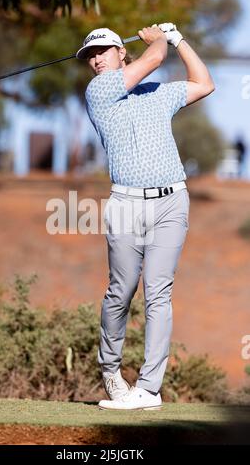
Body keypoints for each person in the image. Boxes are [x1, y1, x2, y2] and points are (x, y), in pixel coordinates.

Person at [76, 24, 215, 410]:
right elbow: (154, 57)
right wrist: (160, 37)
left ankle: (149, 388)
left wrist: (179, 39)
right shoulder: (99, 91)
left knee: (159, 292)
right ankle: (111, 368)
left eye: (102, 50)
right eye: (90, 55)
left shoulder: (156, 94)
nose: (96, 59)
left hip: (172, 201)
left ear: (122, 51)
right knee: (121, 292)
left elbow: (204, 83)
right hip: (126, 205)